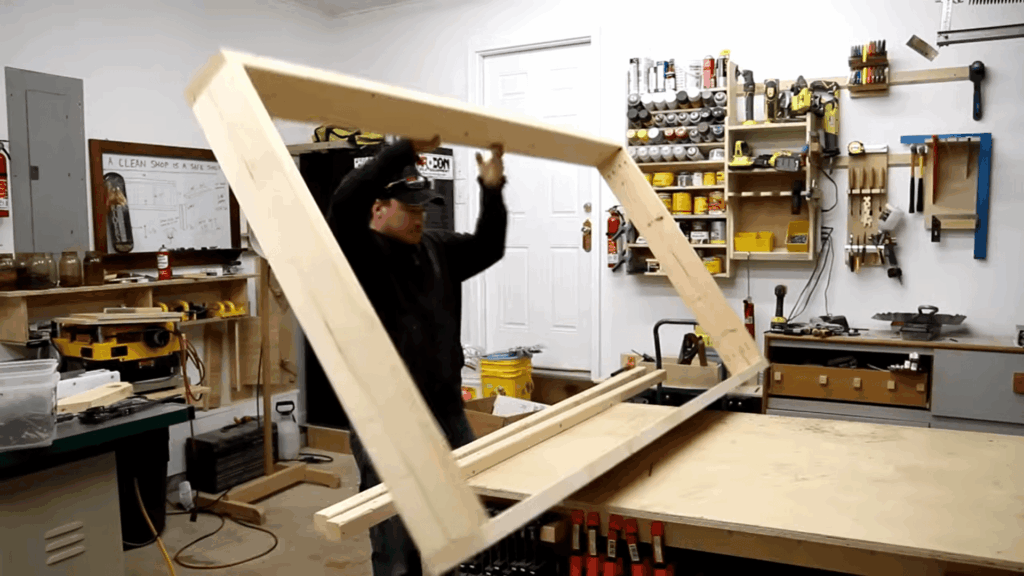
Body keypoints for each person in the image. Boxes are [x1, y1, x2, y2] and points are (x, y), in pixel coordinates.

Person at [326, 136, 508, 576]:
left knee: (464, 511)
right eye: (411, 210)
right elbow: (343, 202)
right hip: (384, 416)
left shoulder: (437, 248)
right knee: (395, 532)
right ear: (378, 209)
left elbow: (490, 246)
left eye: (425, 209)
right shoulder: (357, 253)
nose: (420, 218)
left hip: (445, 406)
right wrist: (404, 147)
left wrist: (491, 191)